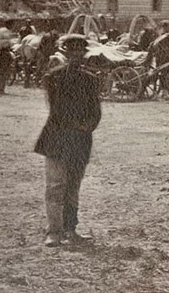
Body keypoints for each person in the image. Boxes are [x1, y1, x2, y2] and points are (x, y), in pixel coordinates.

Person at [34, 34, 102, 247]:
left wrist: (87, 126)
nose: (76, 56)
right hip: (57, 138)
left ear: (84, 54)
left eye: (79, 52)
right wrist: (77, 126)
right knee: (55, 186)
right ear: (64, 53)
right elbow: (56, 111)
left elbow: (95, 112)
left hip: (80, 139)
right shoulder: (53, 78)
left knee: (73, 187)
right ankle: (53, 231)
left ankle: (70, 230)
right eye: (71, 52)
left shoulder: (91, 80)